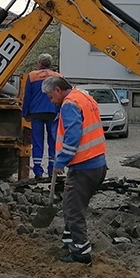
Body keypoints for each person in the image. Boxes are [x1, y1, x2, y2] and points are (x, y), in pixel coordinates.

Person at [42, 75, 107, 265]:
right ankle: (70, 241)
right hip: (97, 164)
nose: (50, 100)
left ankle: (81, 254)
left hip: (84, 167)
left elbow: (73, 134)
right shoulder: (84, 96)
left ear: (57, 90)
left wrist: (60, 161)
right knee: (72, 206)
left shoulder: (69, 104)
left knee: (72, 210)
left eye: (50, 96)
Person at [21, 54, 60, 178]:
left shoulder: (32, 76)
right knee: (53, 140)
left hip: (36, 113)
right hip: (53, 112)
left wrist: (25, 113)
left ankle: (38, 171)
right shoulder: (58, 76)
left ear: (39, 63)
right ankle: (52, 169)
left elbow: (27, 96)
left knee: (37, 141)